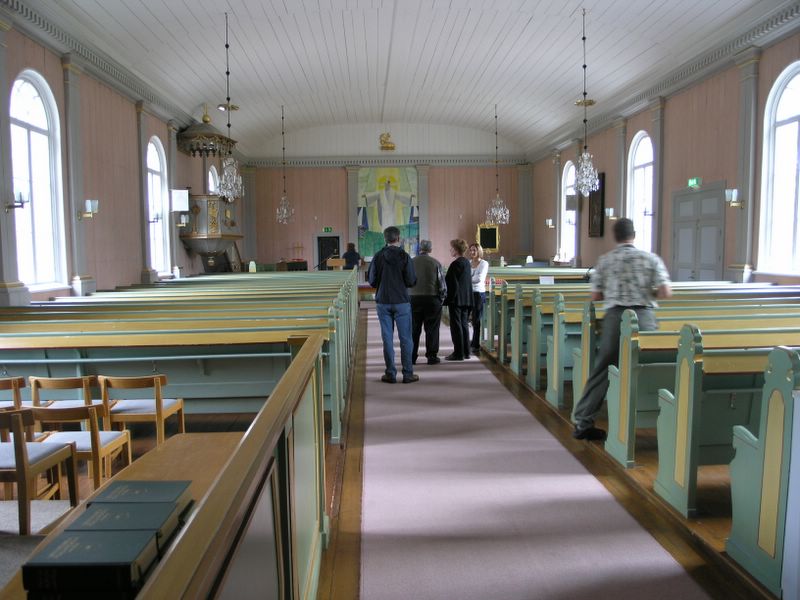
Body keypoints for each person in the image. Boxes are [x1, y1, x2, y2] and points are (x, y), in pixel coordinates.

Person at [572, 218, 672, 440]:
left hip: (615, 318)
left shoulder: (605, 261)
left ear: (614, 236)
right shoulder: (650, 259)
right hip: (644, 318)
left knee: (602, 369)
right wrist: (645, 293)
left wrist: (615, 293)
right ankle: (663, 415)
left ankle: (583, 422)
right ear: (633, 235)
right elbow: (666, 292)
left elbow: (596, 296)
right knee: (650, 366)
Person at [368, 226, 418, 383]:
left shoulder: (378, 256)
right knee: (406, 338)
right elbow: (411, 280)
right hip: (401, 301)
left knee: (387, 338)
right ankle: (408, 374)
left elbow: (372, 281)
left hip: (383, 301)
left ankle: (390, 373)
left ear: (385, 239)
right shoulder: (404, 256)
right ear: (398, 238)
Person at [409, 240, 447, 365]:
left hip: (414, 298)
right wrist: (441, 299)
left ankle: (412, 356)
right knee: (432, 329)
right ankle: (431, 356)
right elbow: (442, 284)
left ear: (419, 248)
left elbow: (406, 281)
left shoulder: (411, 262)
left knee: (414, 329)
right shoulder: (435, 263)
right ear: (430, 250)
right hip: (432, 299)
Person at [444, 238, 473, 361]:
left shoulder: (455, 264)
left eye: (451, 248)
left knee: (456, 326)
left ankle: (458, 353)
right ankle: (466, 352)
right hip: (466, 298)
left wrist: (448, 300)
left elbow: (452, 285)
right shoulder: (466, 262)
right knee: (464, 325)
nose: (450, 250)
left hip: (457, 299)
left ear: (456, 250)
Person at [468, 242, 489, 352]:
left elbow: (479, 279)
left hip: (479, 293)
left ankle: (476, 343)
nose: (472, 252)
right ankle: (467, 340)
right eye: (471, 250)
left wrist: (468, 278)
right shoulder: (468, 263)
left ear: (479, 251)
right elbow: (470, 277)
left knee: (476, 319)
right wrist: (471, 277)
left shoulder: (484, 263)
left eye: (474, 250)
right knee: (467, 318)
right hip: (468, 293)